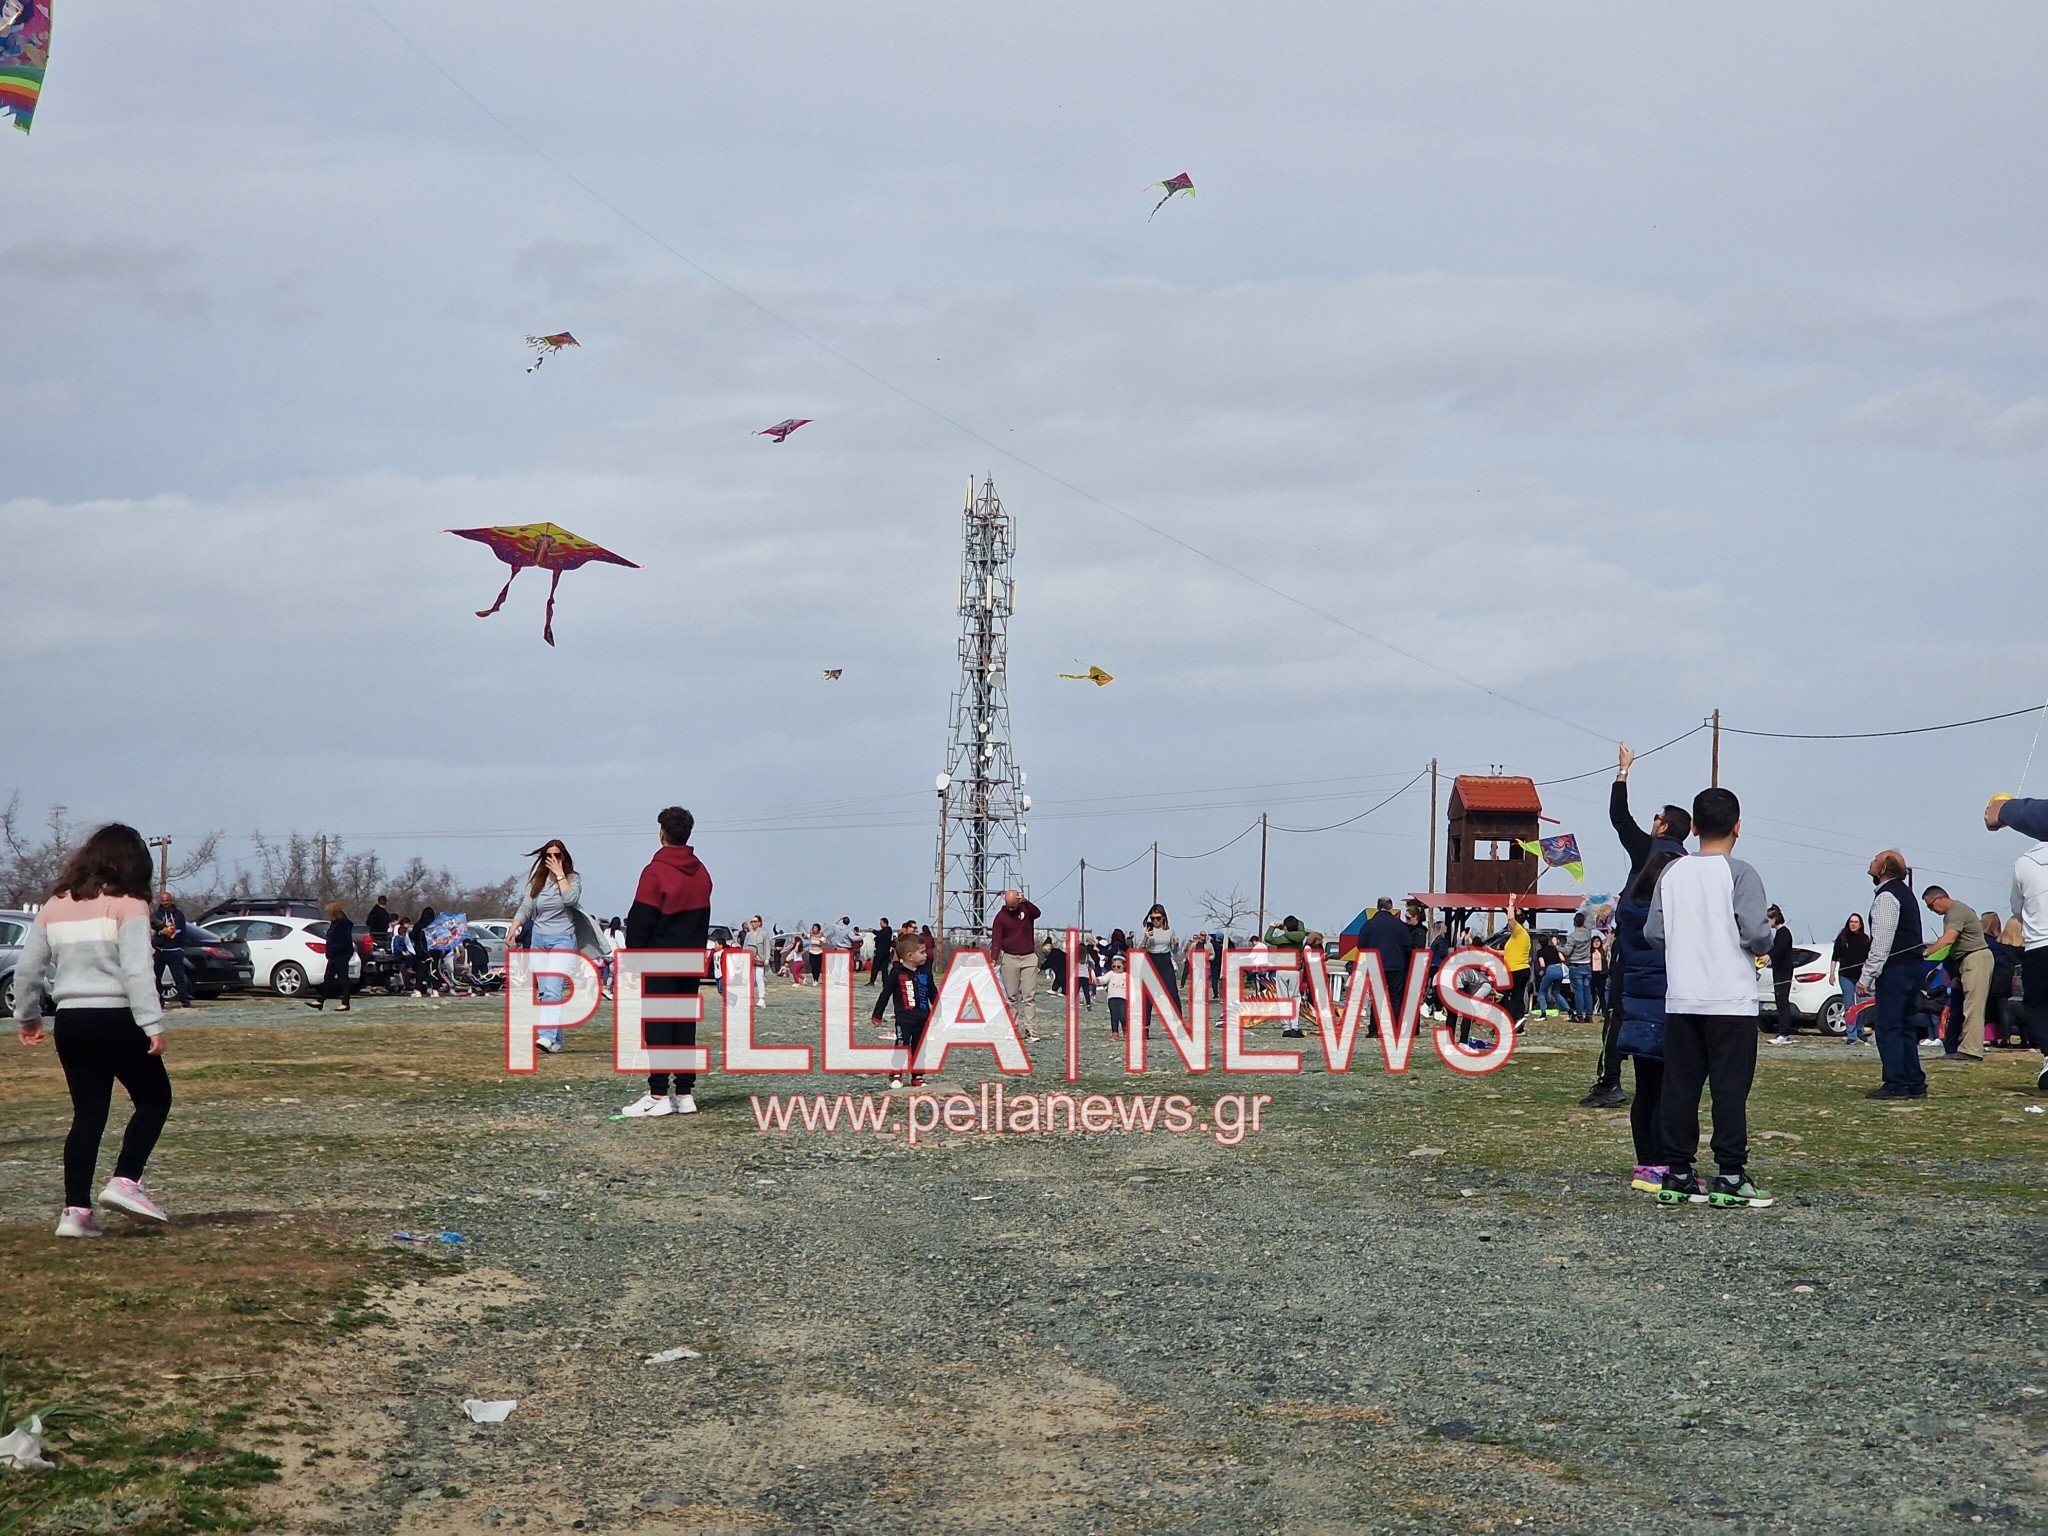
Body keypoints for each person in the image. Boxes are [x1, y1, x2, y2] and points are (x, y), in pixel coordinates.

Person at [12, 824, 175, 1238]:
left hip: (71, 1021)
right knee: (155, 1098)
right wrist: (152, 1023)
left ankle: (76, 1213)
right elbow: (138, 970)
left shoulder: (55, 905)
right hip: (117, 1017)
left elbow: (28, 970)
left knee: (88, 1116)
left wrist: (28, 1016)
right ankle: (125, 1181)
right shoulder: (129, 905)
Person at [1644, 787, 1775, 1208]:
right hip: (1731, 1000)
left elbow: (1653, 933)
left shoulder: (1672, 872)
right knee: (1729, 1090)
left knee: (1679, 1088)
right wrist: (1764, 942)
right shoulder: (1741, 873)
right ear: (1738, 826)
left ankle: (1679, 1172)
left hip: (1682, 998)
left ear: (1694, 827)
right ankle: (1731, 1174)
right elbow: (1756, 932)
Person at [1581, 742, 1694, 1109]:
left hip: (1633, 953)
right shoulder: (1688, 863)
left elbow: (1619, 816)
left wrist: (1623, 770)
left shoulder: (1649, 850)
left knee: (1618, 1014)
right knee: (1663, 1018)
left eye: (1657, 818)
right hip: (1671, 957)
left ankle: (1609, 1082)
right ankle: (1662, 1082)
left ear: (1663, 826)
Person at [617, 807, 713, 1119]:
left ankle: (658, 1094)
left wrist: (634, 956)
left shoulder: (654, 871)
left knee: (658, 1026)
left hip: (659, 958)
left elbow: (641, 919)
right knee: (684, 1026)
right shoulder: (702, 873)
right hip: (689, 958)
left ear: (662, 833)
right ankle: (684, 1094)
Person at [1614, 838, 1685, 1194]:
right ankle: (1664, 1160)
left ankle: (1646, 1161)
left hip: (1637, 1008)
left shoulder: (1628, 914)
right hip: (1668, 1006)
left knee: (1645, 1090)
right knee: (1667, 1093)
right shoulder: (1669, 919)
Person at [509, 839, 611, 1053]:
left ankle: (545, 1036)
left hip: (563, 939)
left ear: (564, 857)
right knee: (546, 992)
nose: (553, 859)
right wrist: (514, 926)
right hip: (538, 939)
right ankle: (556, 1040)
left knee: (554, 988)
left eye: (558, 855)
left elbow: (570, 899)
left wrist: (560, 875)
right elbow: (526, 907)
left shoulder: (573, 879)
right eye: (549, 855)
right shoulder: (537, 882)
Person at [1856, 850, 1928, 1100]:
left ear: (1884, 869)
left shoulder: (1887, 896)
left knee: (1889, 1027)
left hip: (1895, 970)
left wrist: (1866, 977)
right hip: (1911, 969)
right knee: (1906, 1027)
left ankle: (1896, 1083)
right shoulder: (1906, 894)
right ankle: (1914, 1082)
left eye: (1875, 859)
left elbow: (1882, 942)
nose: (1871, 861)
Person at [1921, 886, 1989, 1062]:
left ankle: (1972, 1050)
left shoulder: (1956, 911)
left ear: (1940, 898)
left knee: (1973, 1006)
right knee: (1965, 1006)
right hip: (1965, 961)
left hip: (1976, 958)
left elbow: (1948, 939)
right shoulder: (1952, 913)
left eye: (1931, 905)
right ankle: (1962, 1046)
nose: (1931, 910)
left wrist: (1926, 952)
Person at [869, 928, 935, 1090]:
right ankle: (896, 1073)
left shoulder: (925, 972)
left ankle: (917, 1076)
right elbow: (885, 995)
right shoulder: (896, 973)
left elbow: (933, 992)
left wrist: (939, 1011)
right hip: (904, 1019)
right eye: (922, 952)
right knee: (902, 1045)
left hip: (923, 1018)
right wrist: (877, 1014)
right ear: (910, 956)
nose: (926, 955)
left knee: (920, 1048)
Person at [991, 889, 1043, 1042]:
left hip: (1029, 957)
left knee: (1029, 995)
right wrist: (993, 958)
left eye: (1014, 905)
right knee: (1011, 996)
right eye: (1009, 906)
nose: (1012, 909)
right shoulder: (1000, 917)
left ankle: (1030, 1029)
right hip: (1010, 958)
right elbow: (996, 940)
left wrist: (1026, 902)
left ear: (1019, 901)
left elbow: (1038, 913)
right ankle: (1012, 1028)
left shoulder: (1027, 909)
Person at [1357, 899, 1412, 1031]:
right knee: (1395, 998)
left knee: (1377, 997)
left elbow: (1360, 945)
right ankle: (1395, 1028)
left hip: (1376, 965)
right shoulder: (1399, 925)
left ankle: (1374, 1029)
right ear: (1391, 907)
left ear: (1377, 907)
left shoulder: (1369, 925)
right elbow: (1409, 944)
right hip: (1396, 965)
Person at [304, 900, 354, 1012]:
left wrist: (335, 948)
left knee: (343, 979)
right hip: (333, 955)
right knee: (328, 979)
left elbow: (344, 940)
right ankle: (320, 1001)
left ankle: (345, 1003)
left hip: (341, 955)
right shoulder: (335, 922)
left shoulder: (343, 923)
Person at [1830, 913, 1872, 1042]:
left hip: (1861, 977)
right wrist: (1831, 974)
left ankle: (1860, 1031)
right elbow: (1835, 957)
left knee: (1861, 1005)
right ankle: (1851, 1035)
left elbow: (1870, 959)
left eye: (1856, 922)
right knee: (1849, 1005)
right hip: (1846, 976)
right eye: (1851, 922)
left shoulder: (1865, 939)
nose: (1853, 924)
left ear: (1860, 925)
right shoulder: (1842, 938)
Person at [150, 889, 192, 1010]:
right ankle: (159, 1001)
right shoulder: (156, 915)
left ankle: (185, 1001)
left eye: (167, 900)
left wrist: (174, 933)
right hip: (160, 951)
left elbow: (182, 931)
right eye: (163, 901)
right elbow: (152, 930)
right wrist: (160, 932)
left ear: (171, 900)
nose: (165, 903)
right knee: (156, 977)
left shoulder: (178, 914)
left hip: (175, 950)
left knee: (179, 977)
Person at [1765, 905, 1796, 1044]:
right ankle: (1782, 1031)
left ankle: (1784, 1033)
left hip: (1784, 972)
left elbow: (1780, 950)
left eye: (1768, 920)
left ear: (1775, 919)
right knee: (1780, 1002)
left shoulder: (1784, 933)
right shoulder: (1779, 933)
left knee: (1782, 1002)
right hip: (1779, 971)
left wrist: (1769, 956)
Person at [1502, 895, 1532, 1026]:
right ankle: (1518, 1022)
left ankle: (1513, 1017)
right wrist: (1490, 951)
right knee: (1517, 996)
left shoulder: (1519, 931)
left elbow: (1510, 918)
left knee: (1502, 995)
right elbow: (1508, 952)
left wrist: (1511, 903)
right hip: (1520, 970)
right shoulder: (1517, 937)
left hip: (1516, 970)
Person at [1563, 911, 1594, 1023]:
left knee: (1578, 992)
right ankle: (1589, 1015)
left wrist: (1557, 946)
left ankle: (1580, 1015)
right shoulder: (1588, 933)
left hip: (1576, 965)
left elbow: (1567, 951)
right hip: (1587, 965)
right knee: (1587, 991)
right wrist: (1588, 902)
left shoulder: (1572, 936)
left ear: (1574, 923)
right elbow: (1592, 917)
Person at [743, 915, 773, 1005]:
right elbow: (745, 946)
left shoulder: (764, 933)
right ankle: (750, 998)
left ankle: (761, 998)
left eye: (755, 921)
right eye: (751, 921)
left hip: (760, 959)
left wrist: (767, 958)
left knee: (759, 978)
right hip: (750, 958)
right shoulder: (749, 934)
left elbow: (767, 947)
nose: (753, 923)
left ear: (759, 922)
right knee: (749, 979)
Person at [1105, 954, 1129, 1037]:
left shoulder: (1126, 976)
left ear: (1124, 965)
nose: (1116, 968)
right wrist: (1098, 980)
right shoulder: (1111, 974)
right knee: (1114, 1015)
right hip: (1112, 997)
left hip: (1123, 998)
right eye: (1114, 966)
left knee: (1123, 1015)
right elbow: (1104, 979)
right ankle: (1114, 1031)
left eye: (1118, 966)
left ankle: (1125, 1028)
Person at [869, 919, 893, 986]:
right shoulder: (887, 930)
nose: (880, 924)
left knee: (876, 967)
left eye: (881, 923)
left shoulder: (887, 930)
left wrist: (875, 938)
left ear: (885, 923)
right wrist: (873, 931)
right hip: (886, 952)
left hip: (880, 951)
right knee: (884, 968)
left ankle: (872, 981)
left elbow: (878, 936)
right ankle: (885, 982)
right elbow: (879, 933)